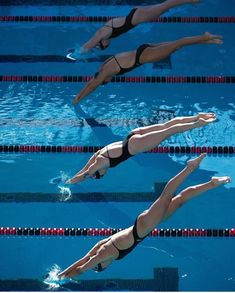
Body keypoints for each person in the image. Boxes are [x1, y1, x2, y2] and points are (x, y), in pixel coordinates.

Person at [58, 153, 231, 278]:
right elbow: (82, 259)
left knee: (167, 194)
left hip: (143, 228)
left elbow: (81, 268)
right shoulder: (100, 248)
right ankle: (211, 183)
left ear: (101, 264)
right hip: (140, 225)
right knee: (179, 200)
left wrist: (66, 279)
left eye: (99, 268)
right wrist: (62, 274)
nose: (101, 267)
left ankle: (190, 167)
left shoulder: (103, 255)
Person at [73, 32, 223, 104]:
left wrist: (77, 99)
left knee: (179, 43)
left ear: (106, 79)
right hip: (144, 48)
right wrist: (79, 94)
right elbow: (90, 83)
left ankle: (204, 37)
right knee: (176, 44)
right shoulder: (104, 65)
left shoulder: (106, 72)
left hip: (145, 56)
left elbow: (92, 86)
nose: (111, 80)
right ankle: (207, 41)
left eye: (108, 81)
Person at [66, 113, 216, 184]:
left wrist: (67, 184)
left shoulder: (99, 163)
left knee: (168, 131)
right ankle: (197, 116)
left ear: (99, 171)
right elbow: (84, 169)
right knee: (166, 125)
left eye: (99, 176)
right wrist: (74, 176)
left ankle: (198, 123)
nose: (101, 175)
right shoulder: (97, 156)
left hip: (135, 145)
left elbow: (84, 174)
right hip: (131, 136)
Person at [76, 0, 201, 53]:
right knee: (163, 8)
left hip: (137, 17)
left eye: (101, 46)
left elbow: (88, 45)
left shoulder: (102, 33)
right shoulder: (108, 33)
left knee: (165, 6)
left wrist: (78, 54)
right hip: (136, 16)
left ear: (103, 42)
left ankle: (191, 0)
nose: (104, 46)